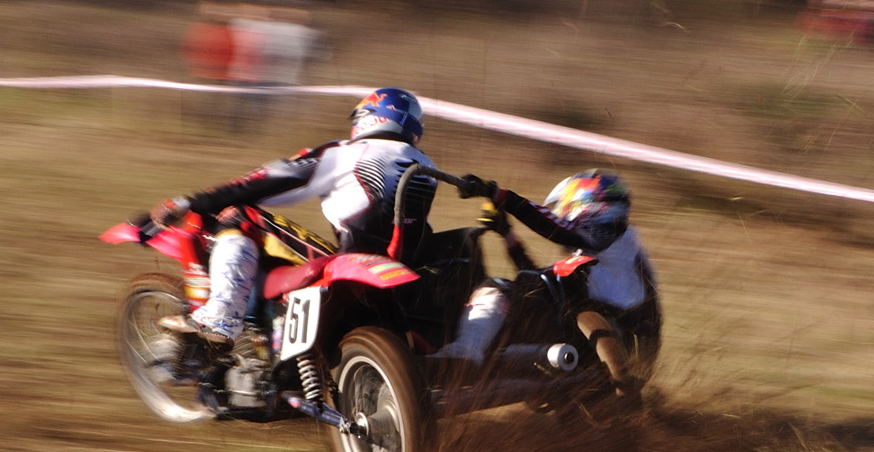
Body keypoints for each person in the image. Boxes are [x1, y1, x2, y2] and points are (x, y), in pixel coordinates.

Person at [152, 87, 436, 343]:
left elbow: (269, 179)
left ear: (369, 117)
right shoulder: (426, 165)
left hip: (351, 258)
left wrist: (191, 201)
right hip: (403, 267)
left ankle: (221, 317)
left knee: (240, 215)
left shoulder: (345, 152)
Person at [437, 169, 660, 387]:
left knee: (495, 287)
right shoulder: (616, 252)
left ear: (585, 205)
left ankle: (465, 352)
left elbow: (555, 228)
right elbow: (538, 283)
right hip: (618, 344)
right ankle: (498, 354)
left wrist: (499, 194)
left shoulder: (609, 237)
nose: (562, 214)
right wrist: (507, 234)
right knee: (525, 288)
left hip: (608, 340)